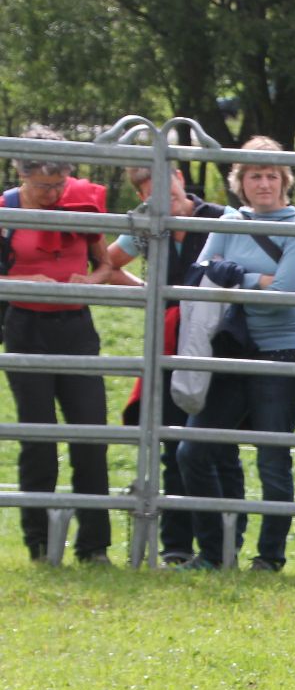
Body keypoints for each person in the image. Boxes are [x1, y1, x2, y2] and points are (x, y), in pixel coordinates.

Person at [173, 136, 295, 572]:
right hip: (232, 348)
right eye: (255, 175)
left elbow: (286, 294)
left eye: (272, 174)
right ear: (239, 181)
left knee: (272, 458)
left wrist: (238, 279)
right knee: (192, 450)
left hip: (283, 352)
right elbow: (199, 272)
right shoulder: (229, 219)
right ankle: (216, 553)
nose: (264, 183)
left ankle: (269, 558)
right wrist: (258, 279)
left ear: (285, 180)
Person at [88, 163, 241, 565]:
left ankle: (225, 544)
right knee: (171, 441)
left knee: (216, 447)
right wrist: (151, 291)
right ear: (142, 196)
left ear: (178, 177)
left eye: (168, 187)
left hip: (215, 341)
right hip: (169, 343)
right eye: (150, 191)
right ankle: (176, 545)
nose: (164, 197)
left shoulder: (220, 218)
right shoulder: (147, 225)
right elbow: (107, 263)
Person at [1, 125, 116, 564]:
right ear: (22, 175)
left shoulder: (80, 206)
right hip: (25, 325)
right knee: (39, 440)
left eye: (58, 184)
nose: (51, 193)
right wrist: (23, 281)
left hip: (75, 326)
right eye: (42, 185)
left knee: (90, 436)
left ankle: (95, 546)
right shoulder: (5, 211)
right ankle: (39, 544)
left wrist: (90, 282)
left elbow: (104, 263)